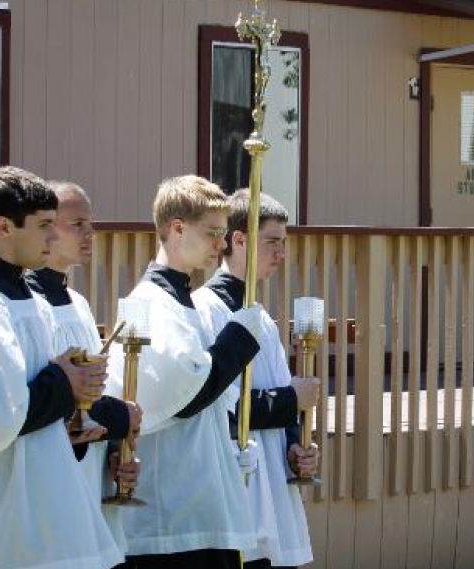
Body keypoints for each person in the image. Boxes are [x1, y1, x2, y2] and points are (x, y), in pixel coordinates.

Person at [0, 168, 123, 569]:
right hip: (0, 517)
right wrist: (64, 382)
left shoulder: (29, 300)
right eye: (44, 226)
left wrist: (76, 409)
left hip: (44, 506)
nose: (54, 237)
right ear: (3, 227)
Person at [104, 175, 264, 569]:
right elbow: (186, 395)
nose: (221, 245)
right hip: (171, 519)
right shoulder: (151, 303)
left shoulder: (185, 300)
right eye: (211, 232)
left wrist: (227, 453)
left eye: (224, 234)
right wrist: (240, 337)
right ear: (177, 228)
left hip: (200, 499)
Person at [191, 190, 319, 569]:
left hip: (273, 486)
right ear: (239, 239)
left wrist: (296, 449)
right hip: (233, 486)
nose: (281, 255)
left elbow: (279, 394)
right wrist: (289, 400)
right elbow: (217, 407)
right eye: (272, 242)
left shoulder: (260, 316)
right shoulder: (205, 310)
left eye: (284, 243)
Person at [24, 180, 142, 559]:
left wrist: (112, 454)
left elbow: (93, 390)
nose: (90, 232)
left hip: (88, 480)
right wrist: (118, 416)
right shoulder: (27, 307)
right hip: (44, 483)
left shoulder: (77, 302)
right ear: (46, 228)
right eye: (77, 223)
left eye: (90, 222)